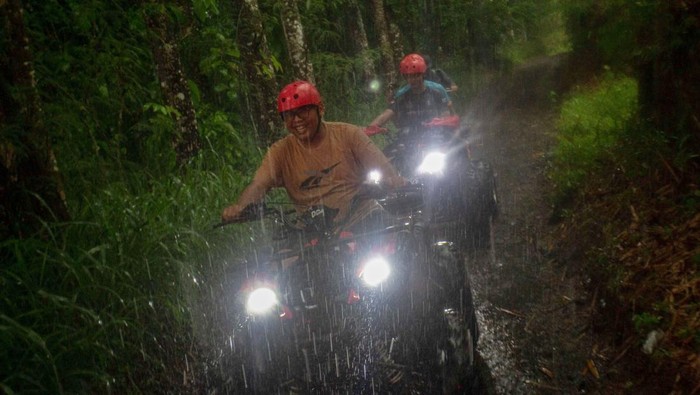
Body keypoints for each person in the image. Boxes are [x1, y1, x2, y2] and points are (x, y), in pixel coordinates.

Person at [221, 80, 405, 231]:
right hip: (311, 231)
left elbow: (385, 170)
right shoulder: (280, 151)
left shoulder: (348, 134)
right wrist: (241, 208)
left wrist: (393, 181)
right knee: (281, 271)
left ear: (320, 109)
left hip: (362, 219)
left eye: (303, 111)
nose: (296, 120)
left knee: (397, 246)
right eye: (289, 115)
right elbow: (259, 185)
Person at [366, 53, 453, 134]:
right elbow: (386, 114)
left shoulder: (436, 91)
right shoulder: (401, 96)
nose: (412, 80)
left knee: (457, 145)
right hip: (409, 139)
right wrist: (368, 130)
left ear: (422, 75)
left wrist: (443, 122)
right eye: (408, 76)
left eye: (416, 76)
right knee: (387, 150)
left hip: (435, 136)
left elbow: (446, 113)